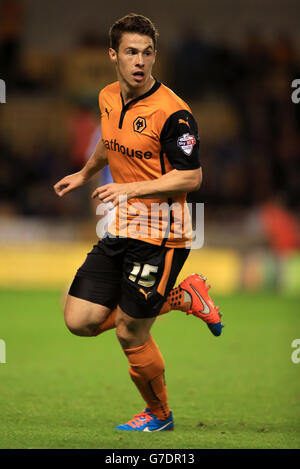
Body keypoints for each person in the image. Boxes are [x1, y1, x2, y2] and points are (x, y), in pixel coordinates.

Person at [54, 13, 223, 432]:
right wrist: (84, 172)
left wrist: (127, 190)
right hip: (122, 226)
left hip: (163, 233)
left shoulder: (174, 114)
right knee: (79, 319)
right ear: (113, 55)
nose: (140, 61)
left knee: (130, 331)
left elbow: (192, 176)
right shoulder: (108, 96)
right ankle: (183, 297)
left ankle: (159, 415)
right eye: (131, 52)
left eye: (147, 53)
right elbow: (110, 142)